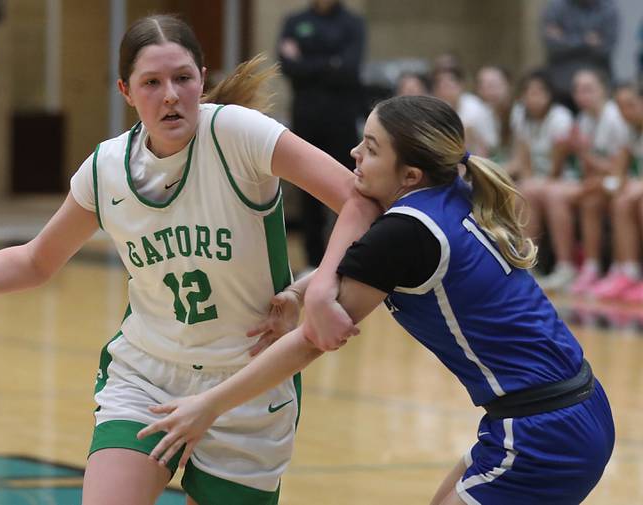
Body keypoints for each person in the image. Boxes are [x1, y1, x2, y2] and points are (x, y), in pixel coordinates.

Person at [0, 14, 375, 505]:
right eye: (152, 83)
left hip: (248, 380)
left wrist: (313, 288)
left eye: (183, 77)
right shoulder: (106, 168)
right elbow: (36, 261)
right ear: (126, 92)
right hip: (148, 373)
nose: (171, 95)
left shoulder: (238, 134)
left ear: (203, 77)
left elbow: (358, 200)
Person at [138, 95, 615, 505]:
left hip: (543, 431)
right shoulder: (448, 192)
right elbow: (357, 259)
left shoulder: (406, 231)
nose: (354, 154)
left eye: (370, 147)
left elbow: (312, 341)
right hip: (569, 409)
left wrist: (208, 406)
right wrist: (303, 291)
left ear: (408, 174)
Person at [278, 0, 366, 270]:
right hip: (306, 119)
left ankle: (348, 259)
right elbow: (287, 67)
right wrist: (330, 62)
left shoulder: (352, 23)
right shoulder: (295, 21)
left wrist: (305, 61)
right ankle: (314, 262)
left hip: (341, 120)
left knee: (349, 188)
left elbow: (349, 69)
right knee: (308, 192)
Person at [543, 68, 630, 294]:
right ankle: (577, 267)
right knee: (563, 196)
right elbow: (588, 170)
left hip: (622, 182)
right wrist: (569, 151)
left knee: (585, 199)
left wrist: (583, 152)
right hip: (601, 182)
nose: (581, 95)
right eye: (577, 90)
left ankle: (622, 270)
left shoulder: (615, 118)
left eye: (588, 89)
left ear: (604, 90)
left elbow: (617, 169)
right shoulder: (583, 119)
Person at [503, 70, 574, 283]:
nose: (533, 97)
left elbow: (558, 167)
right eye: (528, 92)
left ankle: (565, 266)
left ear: (549, 94)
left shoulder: (560, 117)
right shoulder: (520, 115)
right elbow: (523, 159)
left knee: (544, 192)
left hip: (564, 178)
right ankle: (528, 262)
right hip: (538, 181)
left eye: (539, 91)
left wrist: (535, 183)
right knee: (523, 190)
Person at [587, 83, 643, 301]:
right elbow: (618, 175)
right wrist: (605, 185)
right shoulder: (629, 132)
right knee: (617, 200)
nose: (625, 112)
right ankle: (626, 273)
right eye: (620, 106)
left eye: (630, 105)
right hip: (635, 189)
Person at [541, 0, 619, 112]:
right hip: (561, 88)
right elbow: (552, 44)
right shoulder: (556, 6)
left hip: (596, 85)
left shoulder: (609, 8)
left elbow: (605, 48)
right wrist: (585, 41)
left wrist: (565, 37)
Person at [433, 66, 498, 158]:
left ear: (460, 85)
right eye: (441, 86)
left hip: (486, 153)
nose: (445, 90)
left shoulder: (473, 106)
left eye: (449, 85)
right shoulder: (442, 106)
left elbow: (481, 143)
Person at [476, 65, 514, 162]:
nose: (490, 92)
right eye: (484, 87)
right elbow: (481, 156)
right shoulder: (482, 115)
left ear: (508, 85)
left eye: (494, 85)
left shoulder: (519, 114)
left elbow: (520, 162)